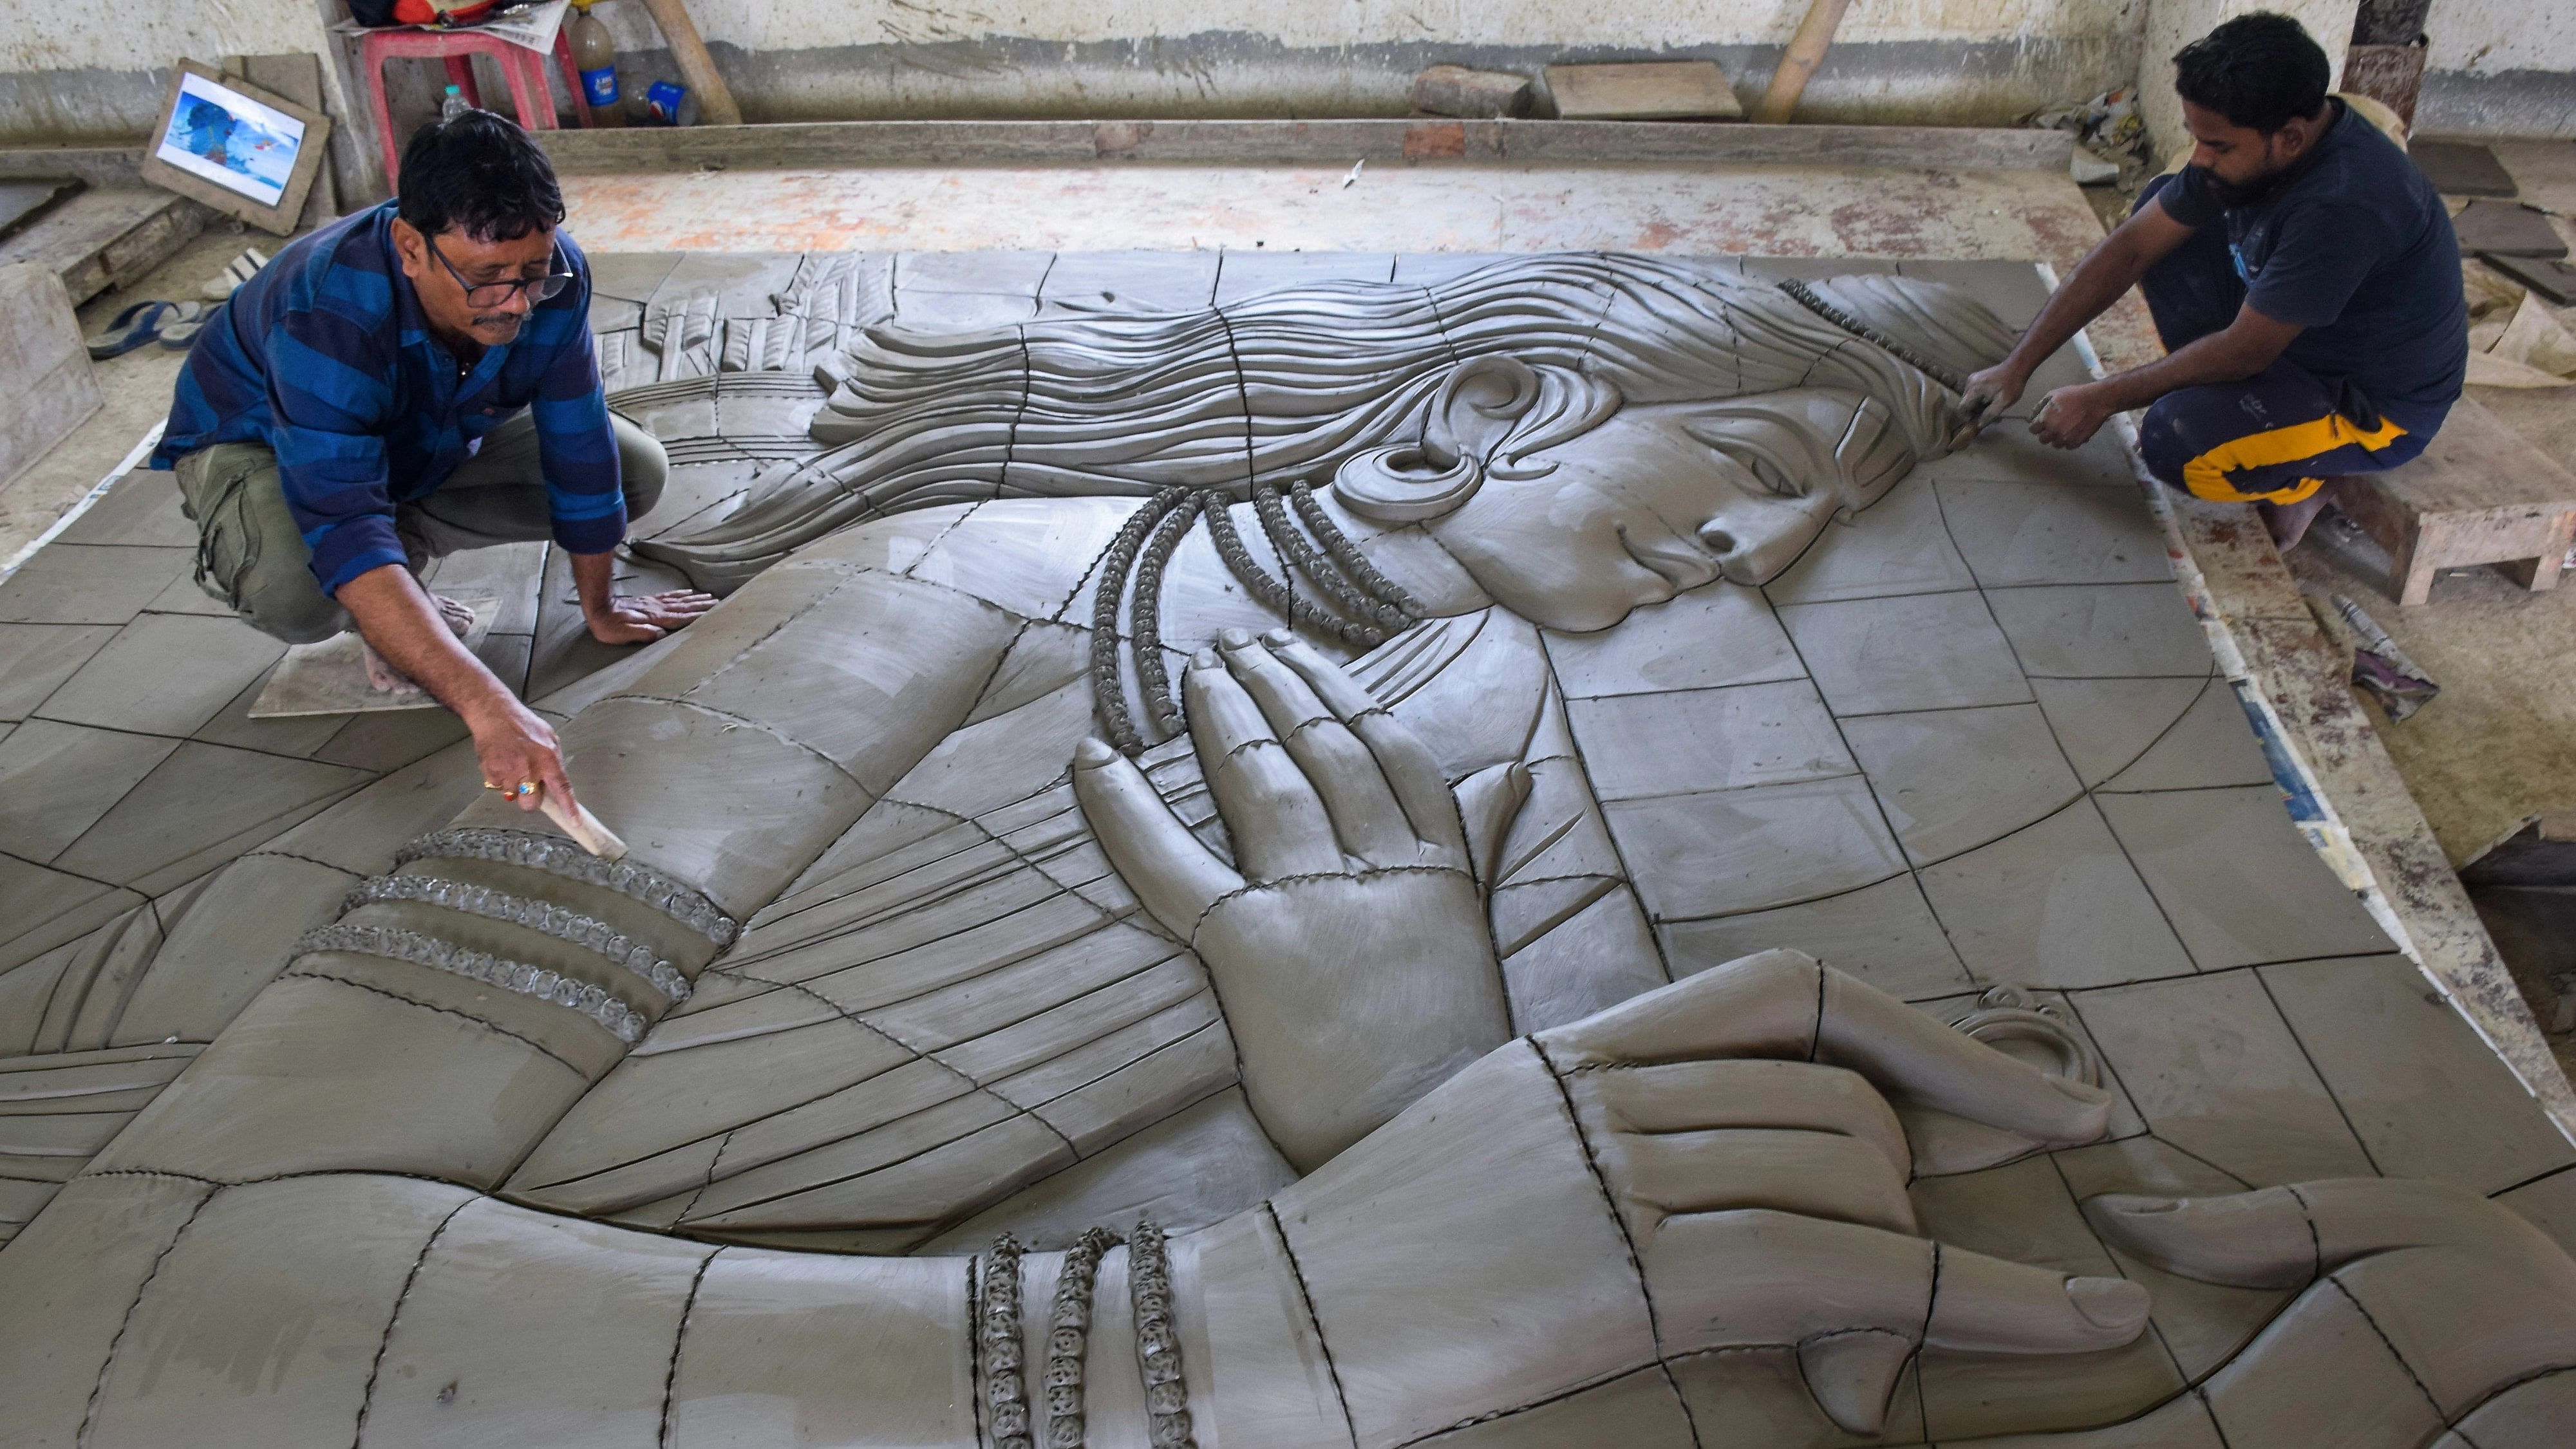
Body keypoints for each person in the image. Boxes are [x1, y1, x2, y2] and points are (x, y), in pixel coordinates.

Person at [151, 109, 713, 810]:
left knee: (635, 473)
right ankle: (382, 599)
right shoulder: (327, 312)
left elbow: (577, 438)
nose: (514, 304)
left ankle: (394, 580)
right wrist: (489, 708)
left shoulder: (556, 279)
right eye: (485, 278)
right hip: (260, 441)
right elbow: (343, 521)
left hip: (412, 430)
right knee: (296, 588)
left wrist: (600, 606)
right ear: (409, 247)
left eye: (529, 273)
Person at [1957, 12, 2467, 549]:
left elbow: (2244, 352)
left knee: (2178, 441)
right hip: (2295, 332)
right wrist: (2016, 366)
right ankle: (2256, 417)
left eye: (2218, 146)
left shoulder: (2344, 206)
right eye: (2196, 138)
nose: (2200, 158)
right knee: (2161, 203)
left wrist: (2100, 398)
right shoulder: (2261, 151)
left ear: (2291, 137)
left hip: (2368, 402)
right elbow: (2131, 248)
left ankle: (2309, 484)